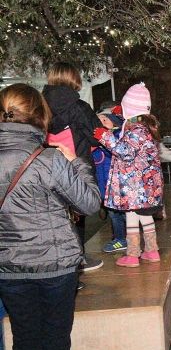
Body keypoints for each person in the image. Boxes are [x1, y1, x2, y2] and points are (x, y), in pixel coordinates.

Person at [0, 83, 100, 350]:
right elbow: (90, 203)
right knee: (56, 342)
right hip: (56, 267)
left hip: (8, 266)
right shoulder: (50, 160)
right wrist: (77, 163)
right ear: (40, 115)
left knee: (24, 340)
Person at [42, 62, 103, 273]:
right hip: (75, 167)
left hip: (48, 167)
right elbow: (96, 137)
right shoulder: (79, 107)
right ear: (74, 79)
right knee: (78, 210)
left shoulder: (39, 105)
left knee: (54, 213)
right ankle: (78, 259)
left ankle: (59, 261)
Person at [95, 83, 163, 268]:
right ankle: (151, 251)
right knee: (141, 217)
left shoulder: (137, 131)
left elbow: (125, 152)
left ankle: (133, 255)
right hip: (142, 187)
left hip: (136, 186)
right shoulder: (142, 127)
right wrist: (121, 113)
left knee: (134, 217)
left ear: (131, 110)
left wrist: (105, 137)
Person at [93, 104, 129, 253]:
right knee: (114, 214)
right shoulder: (97, 138)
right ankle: (120, 237)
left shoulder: (118, 136)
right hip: (104, 184)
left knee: (122, 215)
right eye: (99, 120)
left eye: (105, 119)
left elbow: (117, 152)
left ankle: (125, 238)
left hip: (117, 184)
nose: (101, 122)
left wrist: (104, 140)